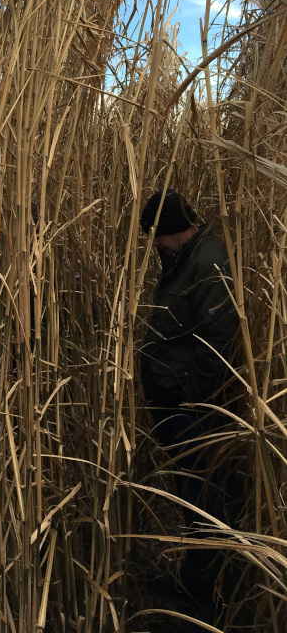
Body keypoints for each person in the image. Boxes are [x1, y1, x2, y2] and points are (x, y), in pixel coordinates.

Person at [140, 189, 240, 627]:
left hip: (191, 408)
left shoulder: (209, 264)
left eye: (156, 236)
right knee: (190, 498)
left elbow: (220, 341)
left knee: (204, 499)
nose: (154, 245)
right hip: (175, 403)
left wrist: (192, 395)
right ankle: (195, 580)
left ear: (173, 230)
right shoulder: (186, 259)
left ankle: (211, 594)